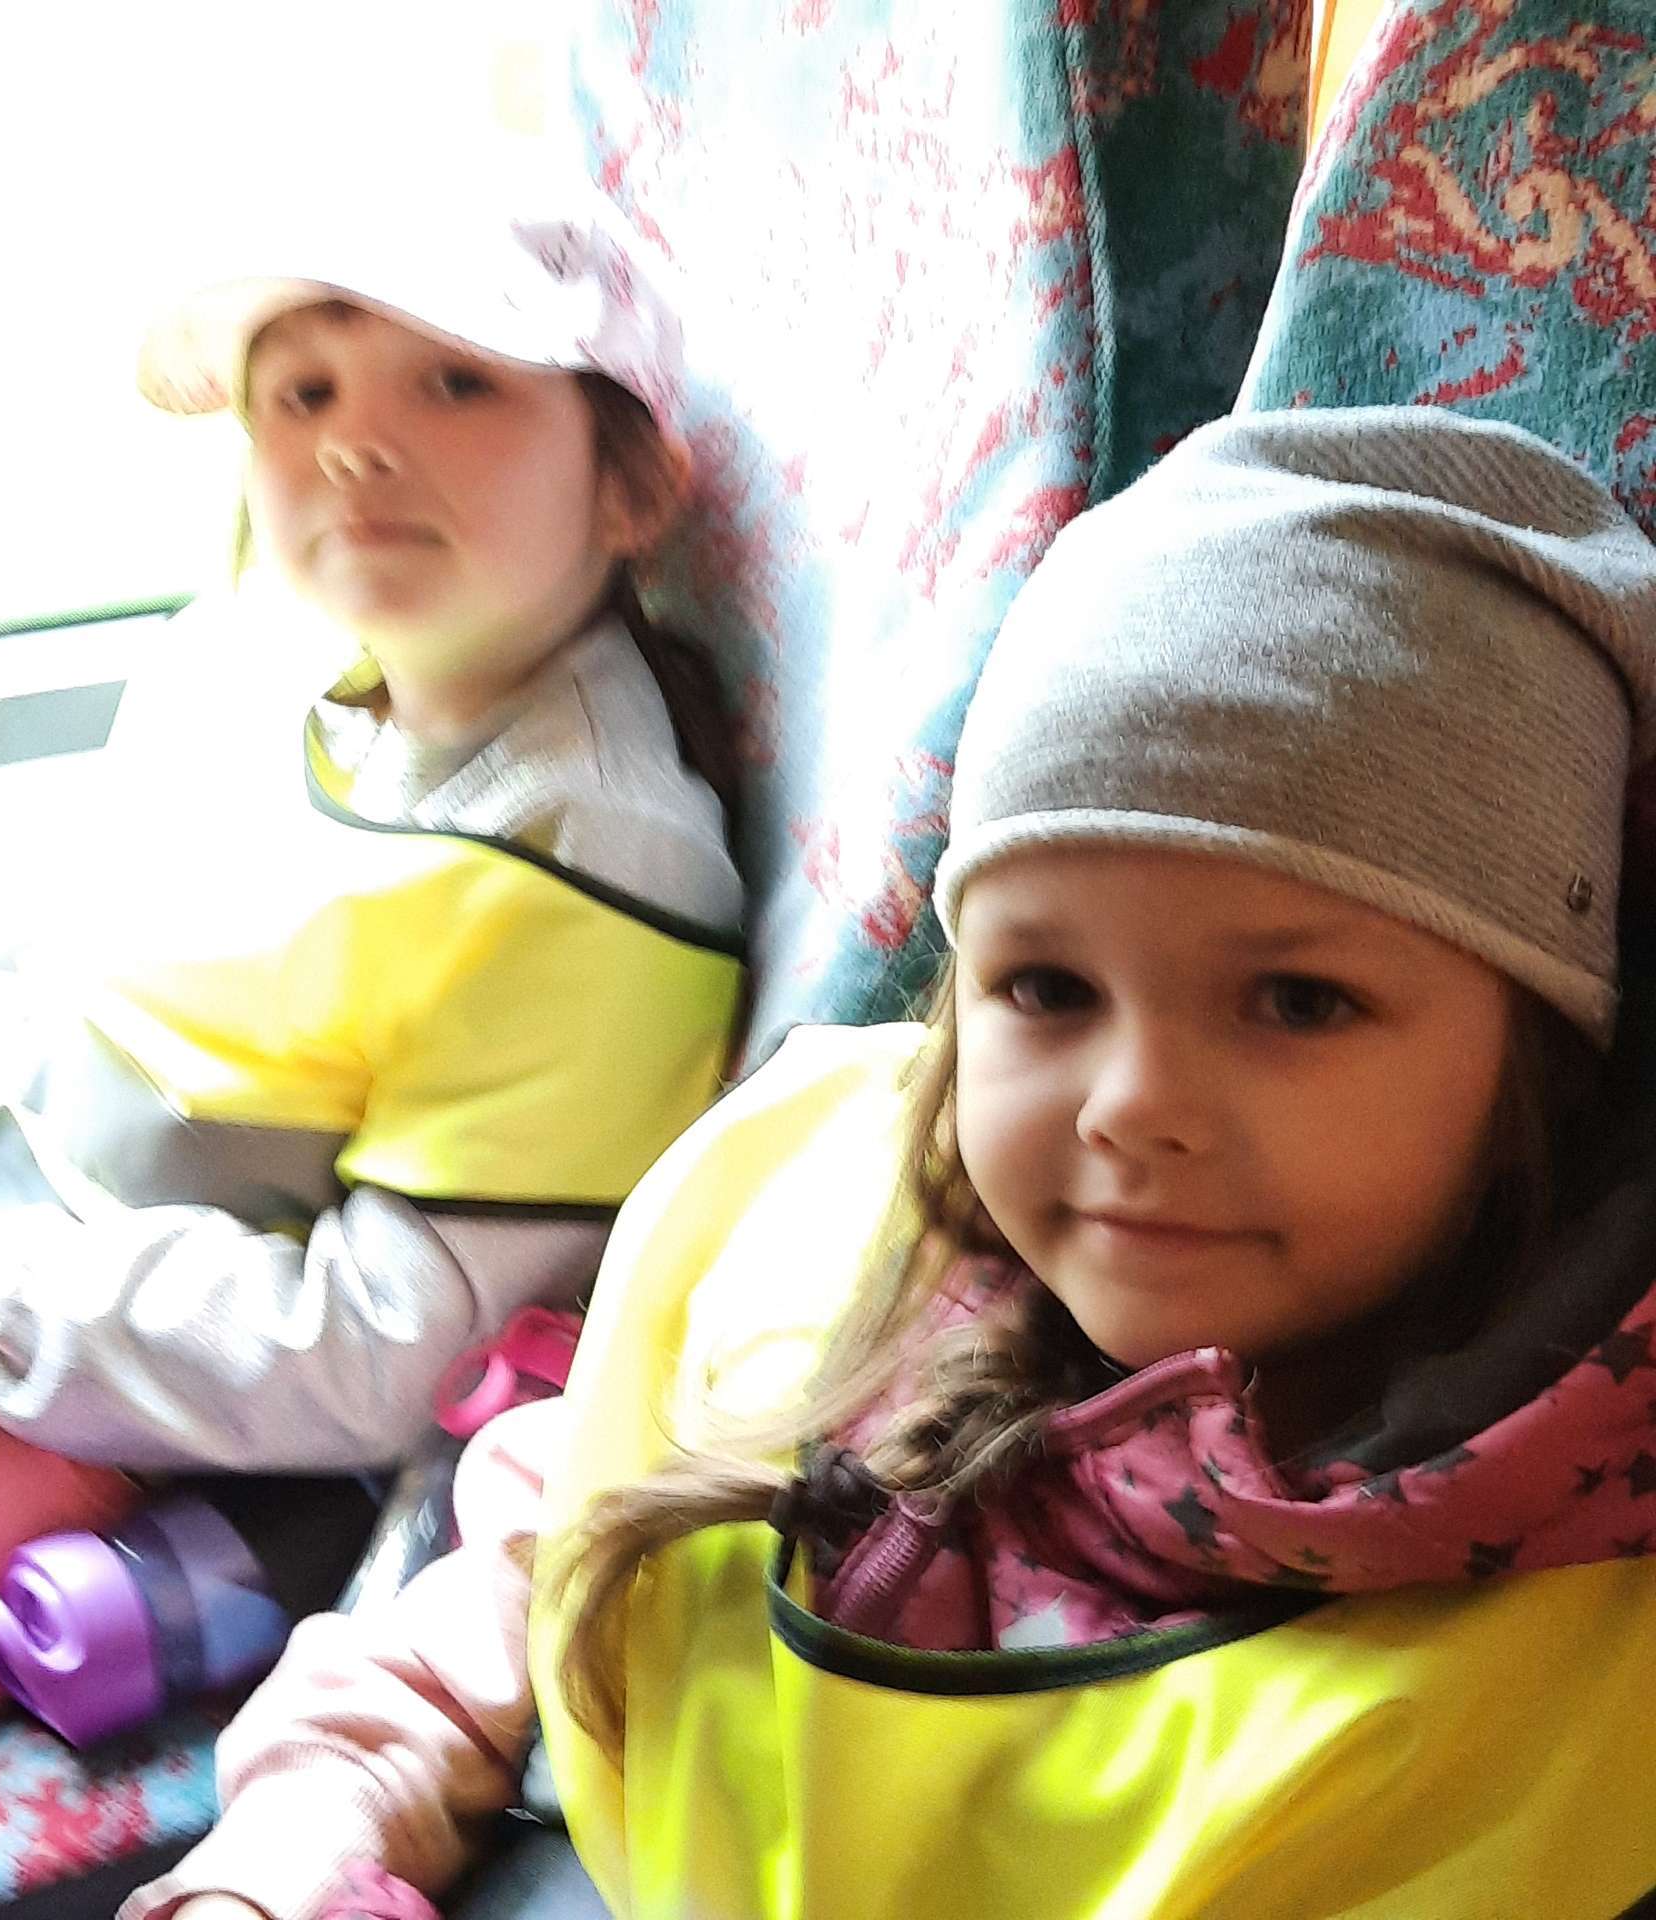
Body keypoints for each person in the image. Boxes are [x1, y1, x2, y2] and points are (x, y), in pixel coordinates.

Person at [131, 406, 1656, 1920]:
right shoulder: (829, 1214)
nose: (1131, 1107)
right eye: (1045, 987)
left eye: (1299, 1002)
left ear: (1540, 1052)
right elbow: (540, 1551)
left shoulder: (1592, 1634)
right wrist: (296, 1852)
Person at [0, 189, 745, 1784]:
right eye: (305, 389)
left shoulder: (591, 867)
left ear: (632, 484)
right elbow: (78, 974)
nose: (357, 444)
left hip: (145, 1420)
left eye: (457, 381)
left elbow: (379, 1357)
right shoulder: (266, 661)